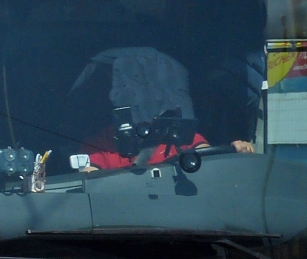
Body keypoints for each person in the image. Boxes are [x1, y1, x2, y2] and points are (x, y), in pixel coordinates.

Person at [73, 46, 251, 170]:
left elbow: (211, 163)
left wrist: (236, 152)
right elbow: (89, 185)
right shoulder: (98, 146)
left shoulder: (183, 138)